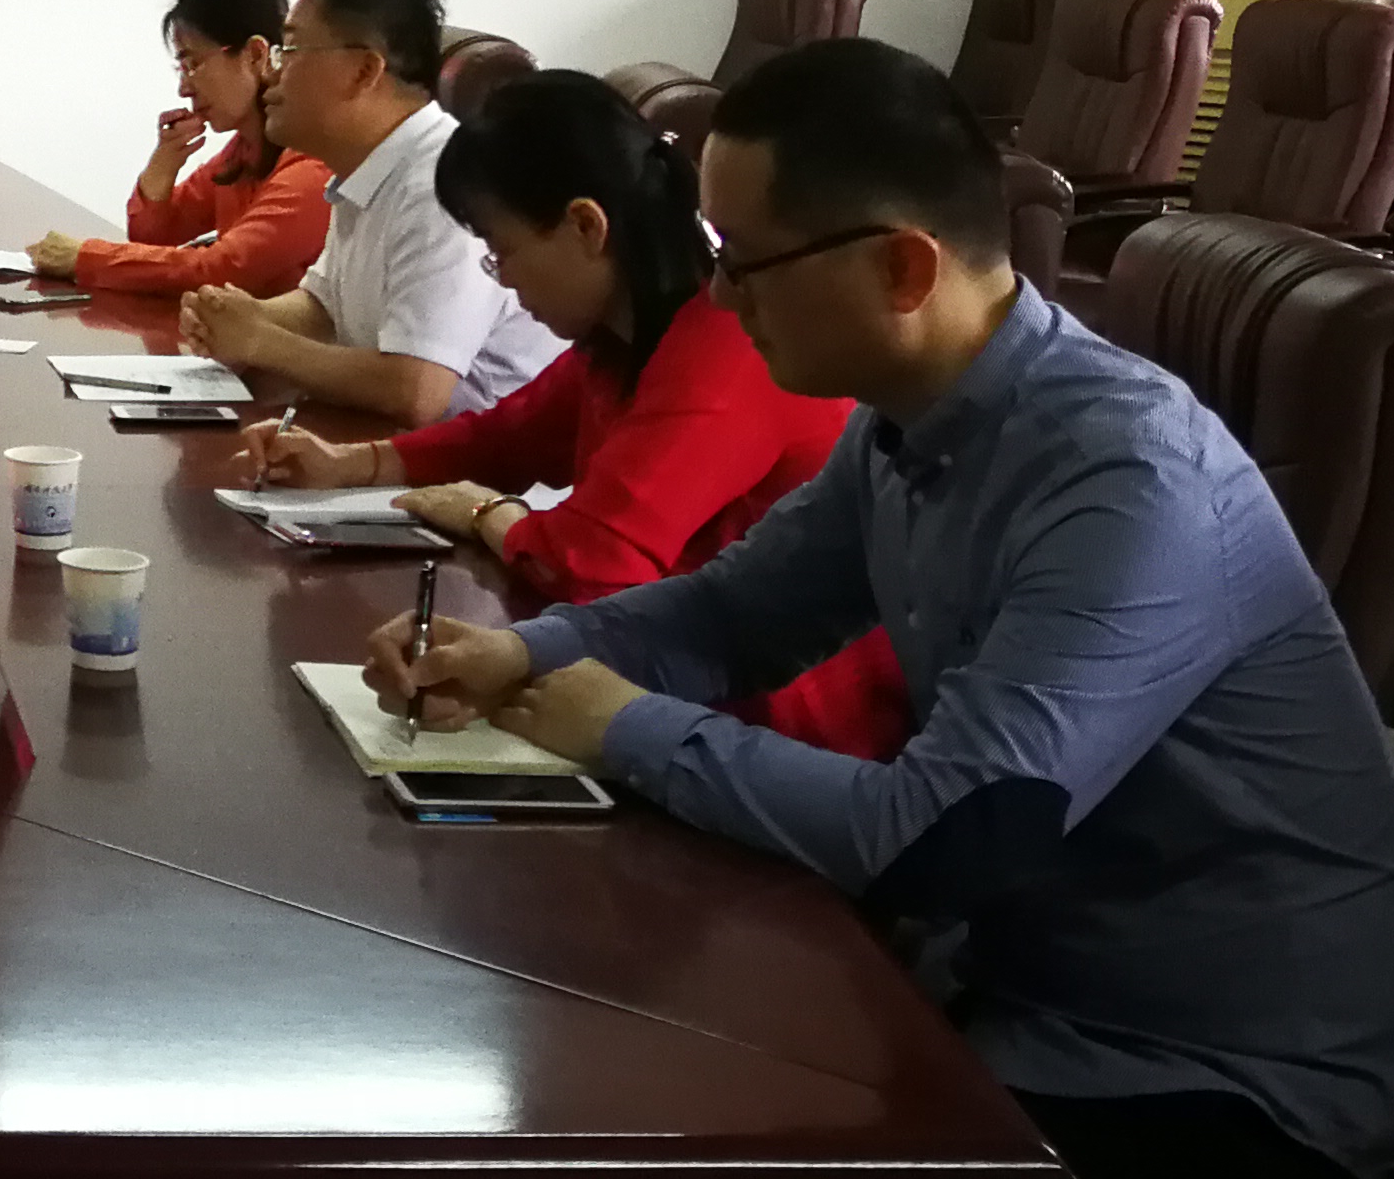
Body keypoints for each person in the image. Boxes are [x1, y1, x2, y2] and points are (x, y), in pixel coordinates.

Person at [368, 40, 1394, 1179]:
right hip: (1007, 1000)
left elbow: (948, 837)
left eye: (746, 260)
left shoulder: (1123, 477)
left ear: (901, 268)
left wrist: (626, 727)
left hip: (1231, 1111)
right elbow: (733, 613)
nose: (718, 294)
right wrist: (529, 654)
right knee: (572, 1144)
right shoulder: (907, 423)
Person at [231, 67, 903, 756]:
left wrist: (486, 514)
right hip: (651, 681)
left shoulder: (725, 348)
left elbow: (592, 565)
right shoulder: (620, 339)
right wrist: (351, 464)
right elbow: (506, 439)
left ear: (586, 225)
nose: (503, 277)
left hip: (772, 732)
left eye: (503, 251)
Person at [181, 0, 565, 423]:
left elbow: (415, 390)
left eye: (291, 50)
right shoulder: (366, 168)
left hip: (487, 462)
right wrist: (241, 316)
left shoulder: (444, 185)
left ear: (364, 71)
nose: (272, 73)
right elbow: (324, 307)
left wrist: (260, 341)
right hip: (386, 445)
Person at [25, 0, 332, 297]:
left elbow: (224, 270)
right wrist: (164, 161)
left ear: (255, 55)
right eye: (181, 69)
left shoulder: (314, 164)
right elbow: (153, 238)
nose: (184, 89)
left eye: (193, 64)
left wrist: (85, 257)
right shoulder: (241, 153)